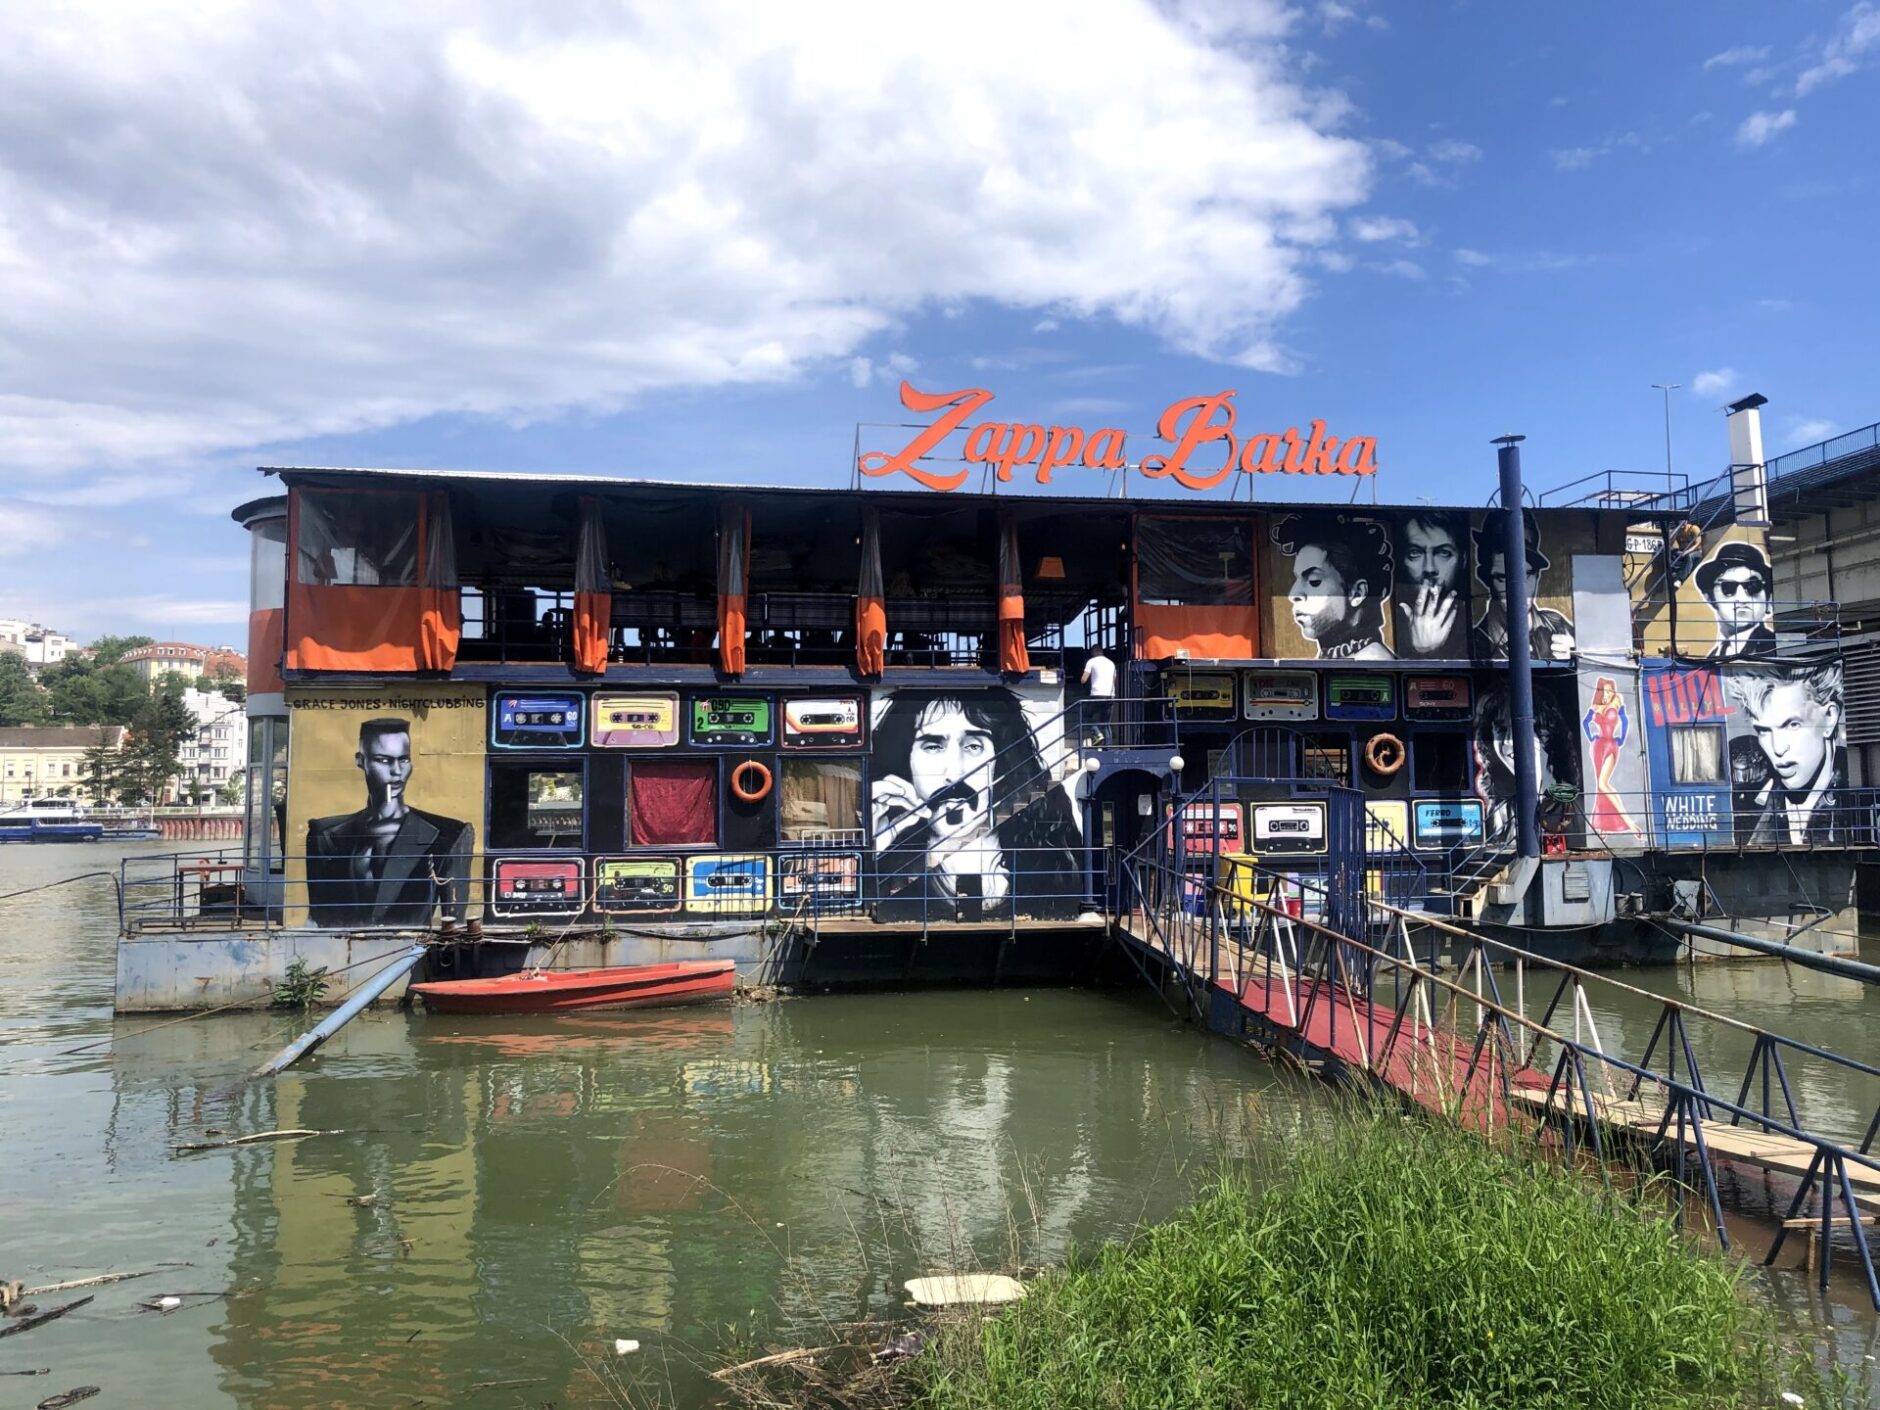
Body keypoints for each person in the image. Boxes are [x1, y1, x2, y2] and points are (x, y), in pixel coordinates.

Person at [870, 689, 1085, 920]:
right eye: (933, 746)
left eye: (973, 746)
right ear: (906, 761)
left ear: (1000, 762)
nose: (954, 774)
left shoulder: (1043, 856)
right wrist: (874, 850)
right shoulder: (895, 853)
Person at [305, 717, 472, 928]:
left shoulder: (448, 834)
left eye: (403, 760)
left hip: (410, 948)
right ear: (361, 761)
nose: (396, 772)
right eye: (383, 760)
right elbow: (320, 916)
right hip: (341, 950)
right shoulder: (325, 834)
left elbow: (454, 920)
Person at [1726, 662, 1847, 845]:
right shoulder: (1749, 805)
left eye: (1792, 725)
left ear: (1829, 718)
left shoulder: (1849, 799)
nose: (1778, 748)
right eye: (1764, 731)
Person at [1270, 513, 1394, 659]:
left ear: (1357, 593)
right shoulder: (1337, 657)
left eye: (1314, 581)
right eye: (1296, 579)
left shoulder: (1371, 660)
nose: (1293, 594)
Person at [1473, 686, 1578, 849]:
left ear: (1547, 736)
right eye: (1500, 730)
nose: (1507, 742)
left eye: (1522, 731)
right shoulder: (1499, 808)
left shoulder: (1567, 800)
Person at [1470, 510, 1574, 661]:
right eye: (1503, 578)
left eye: (1528, 574)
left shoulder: (1558, 625)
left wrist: (1576, 653)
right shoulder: (1476, 643)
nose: (1519, 590)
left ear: (1538, 575)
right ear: (1486, 579)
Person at [1393, 510, 1469, 659]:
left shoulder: (1478, 626)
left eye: (1444, 553)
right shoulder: (1384, 623)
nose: (1429, 568)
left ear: (1464, 559)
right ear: (1401, 560)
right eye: (1415, 553)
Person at [1695, 542, 1777, 660]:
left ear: (1768, 599)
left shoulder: (1772, 648)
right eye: (1728, 587)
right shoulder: (1713, 655)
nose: (1741, 598)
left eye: (1753, 586)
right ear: (1710, 598)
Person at [1080, 644, 1117, 745]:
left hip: (1097, 694)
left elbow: (1084, 679)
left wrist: (1081, 683)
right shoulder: (1111, 663)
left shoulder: (1091, 661)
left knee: (1086, 716)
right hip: (1110, 696)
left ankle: (1097, 733)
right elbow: (1114, 680)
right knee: (1106, 723)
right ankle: (1108, 749)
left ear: (1094, 651)